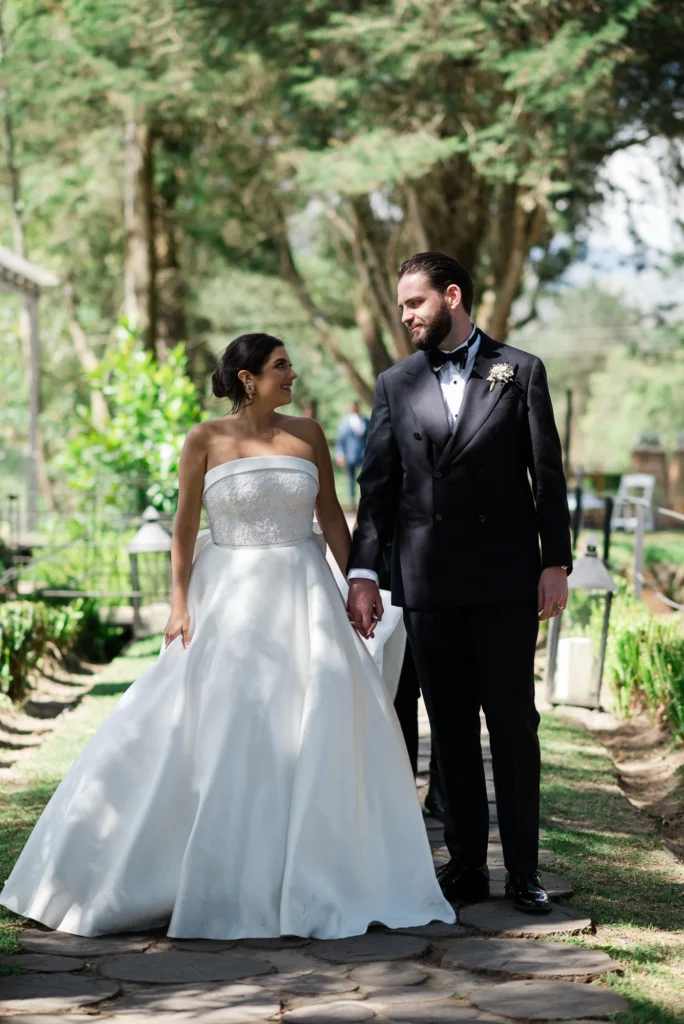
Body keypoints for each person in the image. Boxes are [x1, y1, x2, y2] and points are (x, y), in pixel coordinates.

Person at [0, 333, 454, 940]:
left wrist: (357, 586)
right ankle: (202, 870)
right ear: (247, 378)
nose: (292, 374)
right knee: (225, 723)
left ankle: (316, 869)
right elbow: (184, 529)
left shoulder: (309, 434)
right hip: (230, 599)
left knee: (317, 718)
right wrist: (179, 604)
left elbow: (330, 520)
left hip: (305, 593)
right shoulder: (204, 440)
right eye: (280, 366)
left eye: (289, 364)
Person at [346, 253, 572, 914]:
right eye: (401, 308)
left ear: (452, 295)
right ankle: (468, 865)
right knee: (447, 732)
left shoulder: (521, 371)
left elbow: (547, 475)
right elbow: (378, 489)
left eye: (415, 303)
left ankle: (524, 871)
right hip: (428, 583)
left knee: (512, 727)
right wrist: (363, 571)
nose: (407, 316)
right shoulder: (395, 383)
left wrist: (553, 560)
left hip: (505, 579)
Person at [335, 401, 369, 507]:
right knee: (350, 479)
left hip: (364, 454)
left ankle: (363, 499)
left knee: (365, 477)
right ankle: (352, 501)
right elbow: (340, 440)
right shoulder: (344, 422)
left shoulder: (366, 421)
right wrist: (339, 453)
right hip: (350, 455)